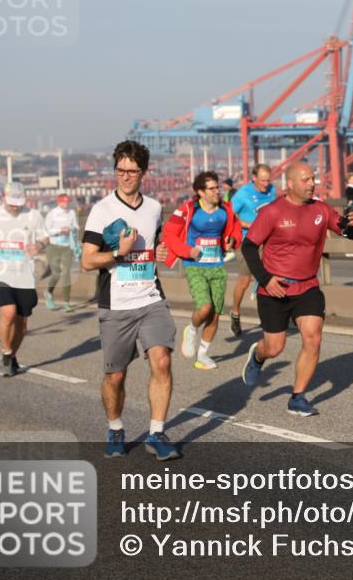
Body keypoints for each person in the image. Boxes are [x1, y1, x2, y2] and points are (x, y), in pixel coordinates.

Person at [240, 161, 353, 416]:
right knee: (274, 347)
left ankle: (297, 396)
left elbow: (348, 232)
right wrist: (265, 279)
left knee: (313, 336)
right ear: (291, 184)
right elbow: (249, 247)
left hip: (307, 286)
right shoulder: (272, 212)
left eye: (313, 179)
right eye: (306, 180)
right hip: (275, 288)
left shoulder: (321, 209)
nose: (312, 184)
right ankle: (258, 356)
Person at [81, 140, 179, 460]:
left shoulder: (153, 208)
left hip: (150, 297)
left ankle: (157, 432)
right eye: (120, 170)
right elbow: (87, 260)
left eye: (131, 171)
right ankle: (115, 428)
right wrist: (117, 253)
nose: (125, 176)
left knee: (162, 360)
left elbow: (156, 246)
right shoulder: (101, 210)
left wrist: (161, 252)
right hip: (116, 304)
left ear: (143, 173)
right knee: (116, 376)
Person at [162, 170, 241, 370]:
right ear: (201, 192)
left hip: (217, 265)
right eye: (213, 188)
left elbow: (235, 230)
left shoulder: (226, 209)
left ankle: (203, 355)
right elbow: (169, 234)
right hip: (194, 265)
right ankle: (192, 329)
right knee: (204, 307)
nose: (218, 191)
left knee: (215, 315)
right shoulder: (189, 209)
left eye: (218, 187)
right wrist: (187, 250)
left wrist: (233, 240)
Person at [0, 182, 50, 376]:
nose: (15, 206)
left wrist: (39, 246)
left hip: (24, 274)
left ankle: (12, 355)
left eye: (19, 201)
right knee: (9, 312)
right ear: (2, 197)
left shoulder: (33, 215)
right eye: (11, 202)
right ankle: (6, 354)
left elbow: (45, 237)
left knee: (22, 323)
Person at [228, 163, 278, 336]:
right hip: (246, 241)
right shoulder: (243, 194)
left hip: (267, 240)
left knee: (272, 275)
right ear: (254, 178)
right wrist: (249, 225)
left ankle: (271, 317)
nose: (266, 184)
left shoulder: (272, 190)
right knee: (244, 280)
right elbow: (229, 215)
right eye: (262, 181)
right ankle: (235, 313)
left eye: (268, 180)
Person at [43, 193, 80, 312]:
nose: (65, 204)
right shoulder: (52, 213)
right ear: (58, 202)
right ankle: (49, 293)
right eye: (63, 202)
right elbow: (47, 230)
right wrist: (60, 230)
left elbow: (77, 227)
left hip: (67, 246)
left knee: (66, 274)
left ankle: (66, 302)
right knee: (56, 274)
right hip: (53, 247)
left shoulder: (71, 212)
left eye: (67, 202)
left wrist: (72, 229)